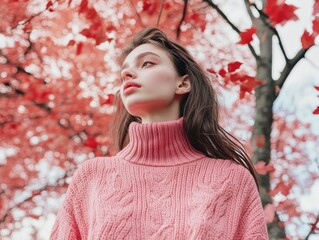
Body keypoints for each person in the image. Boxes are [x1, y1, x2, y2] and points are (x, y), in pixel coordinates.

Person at [50, 27, 268, 240]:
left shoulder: (231, 180)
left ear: (183, 83)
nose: (127, 74)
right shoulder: (92, 177)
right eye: (124, 73)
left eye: (147, 63)